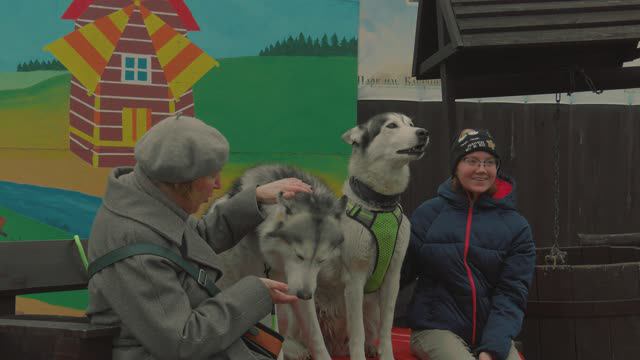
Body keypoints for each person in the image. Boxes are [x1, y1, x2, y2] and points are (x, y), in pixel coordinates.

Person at [86, 115, 313, 359]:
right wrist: (255, 293)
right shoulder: (135, 243)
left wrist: (254, 198)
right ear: (181, 183)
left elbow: (196, 239)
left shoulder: (146, 199)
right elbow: (183, 340)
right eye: (211, 175)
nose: (218, 184)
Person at [401, 129, 535, 360]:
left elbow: (511, 294)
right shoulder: (428, 215)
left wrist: (491, 350)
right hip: (435, 329)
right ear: (456, 167)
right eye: (471, 161)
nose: (481, 169)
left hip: (491, 333)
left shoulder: (517, 227)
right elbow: (398, 272)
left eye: (489, 162)